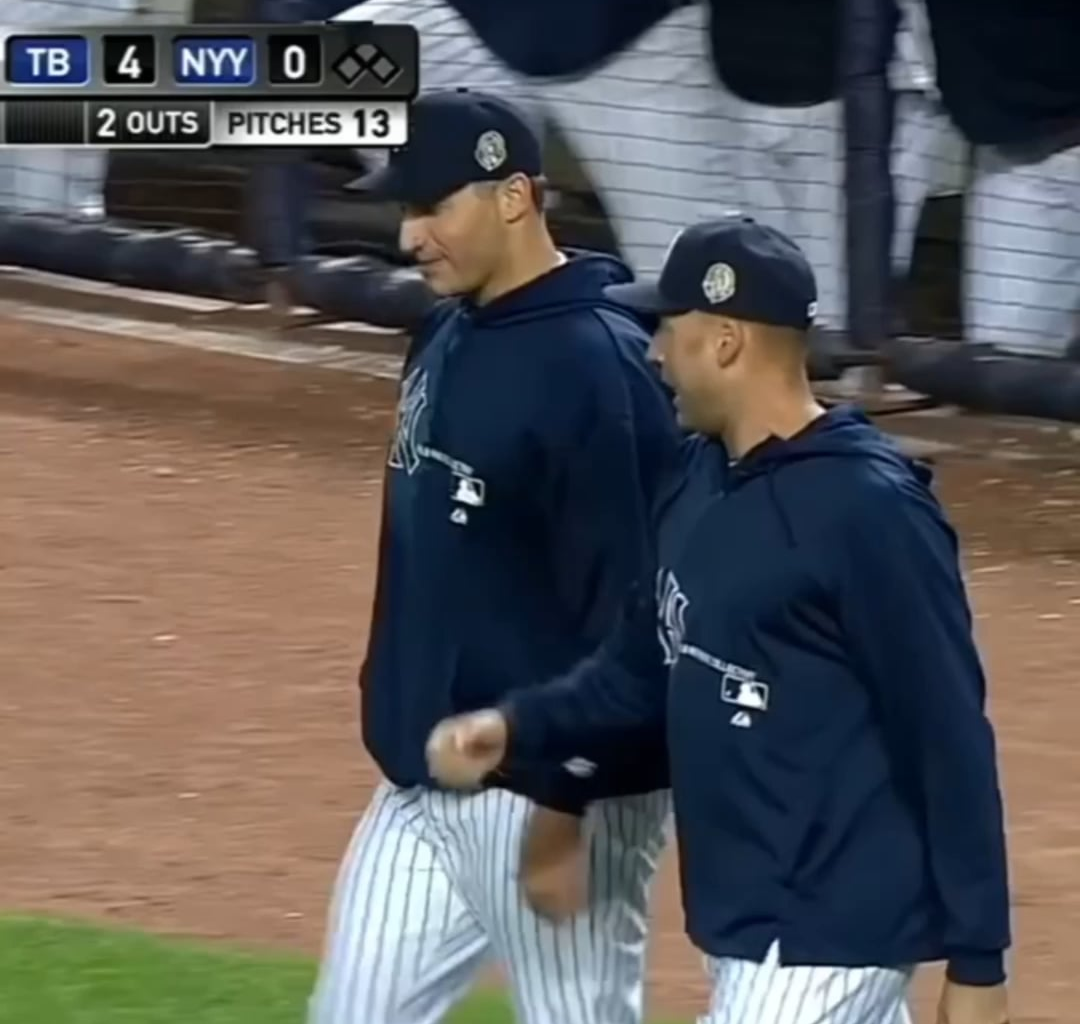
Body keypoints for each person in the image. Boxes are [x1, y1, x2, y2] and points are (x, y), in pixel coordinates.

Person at [426, 216, 1013, 1024]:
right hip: (753, 923)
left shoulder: (868, 511)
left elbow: (946, 732)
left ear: (727, 341)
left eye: (669, 326)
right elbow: (641, 666)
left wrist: (979, 962)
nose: (654, 350)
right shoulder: (697, 476)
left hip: (825, 934)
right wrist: (522, 729)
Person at [307, 89, 678, 1024]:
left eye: (433, 207)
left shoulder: (602, 369)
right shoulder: (443, 331)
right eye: (405, 208)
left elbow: (637, 613)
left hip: (551, 798)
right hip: (421, 781)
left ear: (515, 197)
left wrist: (565, 807)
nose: (409, 236)